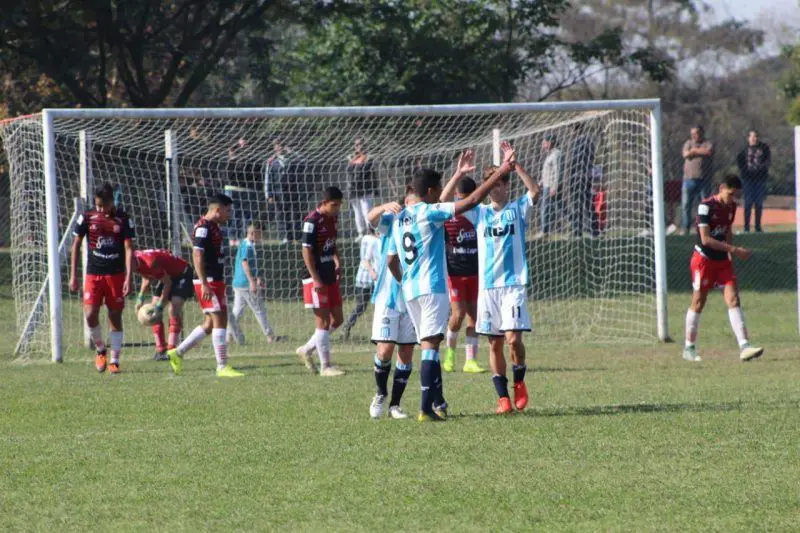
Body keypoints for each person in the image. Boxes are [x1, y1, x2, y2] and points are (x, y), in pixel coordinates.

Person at [386, 141, 517, 422]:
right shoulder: (429, 213)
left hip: (409, 290)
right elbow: (469, 201)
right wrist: (501, 171)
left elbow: (391, 261)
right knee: (431, 347)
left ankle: (436, 402)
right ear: (431, 192)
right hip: (432, 288)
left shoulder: (401, 219)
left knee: (427, 346)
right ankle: (425, 408)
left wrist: (458, 174)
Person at [441, 155, 540, 414]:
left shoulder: (517, 208)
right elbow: (444, 202)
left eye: (498, 183)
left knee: (513, 340)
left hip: (513, 285)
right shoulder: (479, 213)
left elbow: (535, 191)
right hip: (487, 289)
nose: (494, 188)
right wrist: (459, 173)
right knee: (494, 343)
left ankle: (519, 382)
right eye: (490, 184)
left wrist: (516, 165)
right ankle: (502, 398)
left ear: (506, 186)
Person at [683, 175, 764, 363]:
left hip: (722, 261)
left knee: (733, 299)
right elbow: (706, 239)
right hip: (703, 260)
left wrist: (730, 256)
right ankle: (689, 347)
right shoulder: (705, 206)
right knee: (698, 302)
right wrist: (734, 250)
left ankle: (744, 346)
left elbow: (726, 231)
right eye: (730, 194)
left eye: (735, 195)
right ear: (721, 188)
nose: (732, 198)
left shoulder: (731, 206)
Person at [166, 193, 244, 377]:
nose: (229, 215)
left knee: (211, 323)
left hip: (216, 280)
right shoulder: (202, 227)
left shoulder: (215, 227)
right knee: (218, 320)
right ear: (217, 210)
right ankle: (222, 366)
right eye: (228, 211)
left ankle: (177, 353)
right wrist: (203, 283)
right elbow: (197, 255)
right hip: (206, 281)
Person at [364, 191, 419, 420]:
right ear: (405, 202)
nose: (415, 206)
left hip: (414, 296)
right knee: (385, 350)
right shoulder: (392, 220)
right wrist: (384, 206)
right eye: (412, 202)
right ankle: (380, 393)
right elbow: (370, 217)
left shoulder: (427, 223)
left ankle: (395, 405)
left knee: (406, 352)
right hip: (389, 296)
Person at [69, 183, 135, 374]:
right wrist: (73, 275)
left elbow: (129, 249)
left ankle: (114, 360)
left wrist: (128, 278)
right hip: (93, 274)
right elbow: (75, 246)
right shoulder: (87, 217)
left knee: (115, 315)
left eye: (103, 206)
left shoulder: (123, 219)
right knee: (90, 314)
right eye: (97, 205)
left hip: (116, 275)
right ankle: (100, 349)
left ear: (111, 202)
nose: (100, 209)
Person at [295, 186, 347, 377]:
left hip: (329, 274)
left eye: (340, 205)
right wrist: (315, 279)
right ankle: (326, 366)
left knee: (338, 319)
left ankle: (307, 349)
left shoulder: (333, 219)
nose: (337, 208)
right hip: (315, 278)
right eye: (334, 205)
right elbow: (306, 251)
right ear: (323, 203)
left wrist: (337, 262)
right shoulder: (311, 221)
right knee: (323, 321)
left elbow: (332, 244)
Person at [441, 153, 485, 374]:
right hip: (454, 272)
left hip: (475, 272)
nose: (464, 203)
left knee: (475, 317)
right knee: (457, 315)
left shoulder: (480, 213)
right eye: (461, 198)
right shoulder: (448, 213)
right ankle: (449, 356)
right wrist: (458, 173)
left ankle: (471, 361)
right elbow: (441, 201)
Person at [132, 249, 194, 361]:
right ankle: (160, 351)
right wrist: (140, 297)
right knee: (151, 311)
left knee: (173, 309)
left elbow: (168, 283)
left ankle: (171, 351)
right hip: (168, 275)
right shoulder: (134, 260)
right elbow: (146, 277)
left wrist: (160, 306)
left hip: (182, 274)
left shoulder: (150, 261)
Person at [227, 222, 281, 345]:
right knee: (259, 309)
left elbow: (251, 265)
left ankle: (229, 335)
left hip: (238, 283)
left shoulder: (246, 244)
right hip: (245, 284)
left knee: (237, 311)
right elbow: (244, 263)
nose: (261, 236)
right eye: (260, 233)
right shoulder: (247, 246)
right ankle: (270, 336)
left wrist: (257, 278)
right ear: (254, 233)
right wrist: (252, 281)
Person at [341, 226, 380, 340]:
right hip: (371, 277)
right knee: (363, 306)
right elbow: (367, 259)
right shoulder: (375, 241)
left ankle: (347, 326)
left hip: (362, 276)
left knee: (362, 306)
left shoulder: (365, 238)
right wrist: (372, 272)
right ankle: (347, 326)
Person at [264, 139, 301, 244]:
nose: (279, 147)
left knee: (295, 214)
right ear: (274, 148)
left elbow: (304, 161)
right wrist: (269, 195)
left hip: (292, 192)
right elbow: (268, 179)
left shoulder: (293, 159)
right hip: (278, 193)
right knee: (281, 215)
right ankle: (285, 237)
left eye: (281, 145)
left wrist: (292, 152)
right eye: (277, 145)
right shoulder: (271, 162)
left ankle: (297, 237)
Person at [679, 126, 714, 235]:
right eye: (692, 133)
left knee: (704, 206)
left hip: (703, 180)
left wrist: (693, 151)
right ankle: (685, 228)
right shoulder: (688, 143)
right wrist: (695, 151)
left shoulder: (707, 143)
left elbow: (708, 152)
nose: (694, 135)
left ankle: (704, 229)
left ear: (702, 133)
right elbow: (685, 154)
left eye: (696, 133)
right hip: (688, 180)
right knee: (686, 205)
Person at [736, 129, 771, 233]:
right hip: (748, 180)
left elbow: (767, 161)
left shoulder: (764, 148)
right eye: (752, 136)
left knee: (759, 204)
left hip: (760, 179)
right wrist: (745, 172)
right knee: (748, 204)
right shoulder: (744, 150)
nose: (754, 138)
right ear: (748, 138)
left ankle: (758, 227)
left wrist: (760, 170)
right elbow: (740, 163)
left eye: (756, 136)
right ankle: (746, 227)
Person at [567, 123, 597, 237]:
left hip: (580, 177)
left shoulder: (582, 141)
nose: (571, 132)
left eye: (572, 130)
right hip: (582, 176)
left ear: (576, 130)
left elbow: (579, 161)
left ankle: (582, 231)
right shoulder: (586, 141)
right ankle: (582, 231)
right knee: (584, 204)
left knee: (581, 205)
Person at [347, 137, 378, 241]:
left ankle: (371, 231)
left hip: (365, 189)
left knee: (367, 211)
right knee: (357, 212)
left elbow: (369, 172)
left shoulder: (369, 158)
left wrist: (375, 188)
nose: (359, 146)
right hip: (354, 190)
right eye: (357, 145)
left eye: (361, 144)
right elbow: (349, 171)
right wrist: (352, 161)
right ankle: (361, 233)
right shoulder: (351, 157)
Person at [536, 135, 563, 239]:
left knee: (545, 208)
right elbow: (548, 172)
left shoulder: (556, 154)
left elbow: (557, 172)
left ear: (550, 143)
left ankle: (544, 231)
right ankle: (576, 226)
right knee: (561, 208)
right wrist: (540, 182)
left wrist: (554, 187)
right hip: (547, 185)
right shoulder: (550, 155)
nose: (543, 145)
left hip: (551, 186)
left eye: (544, 142)